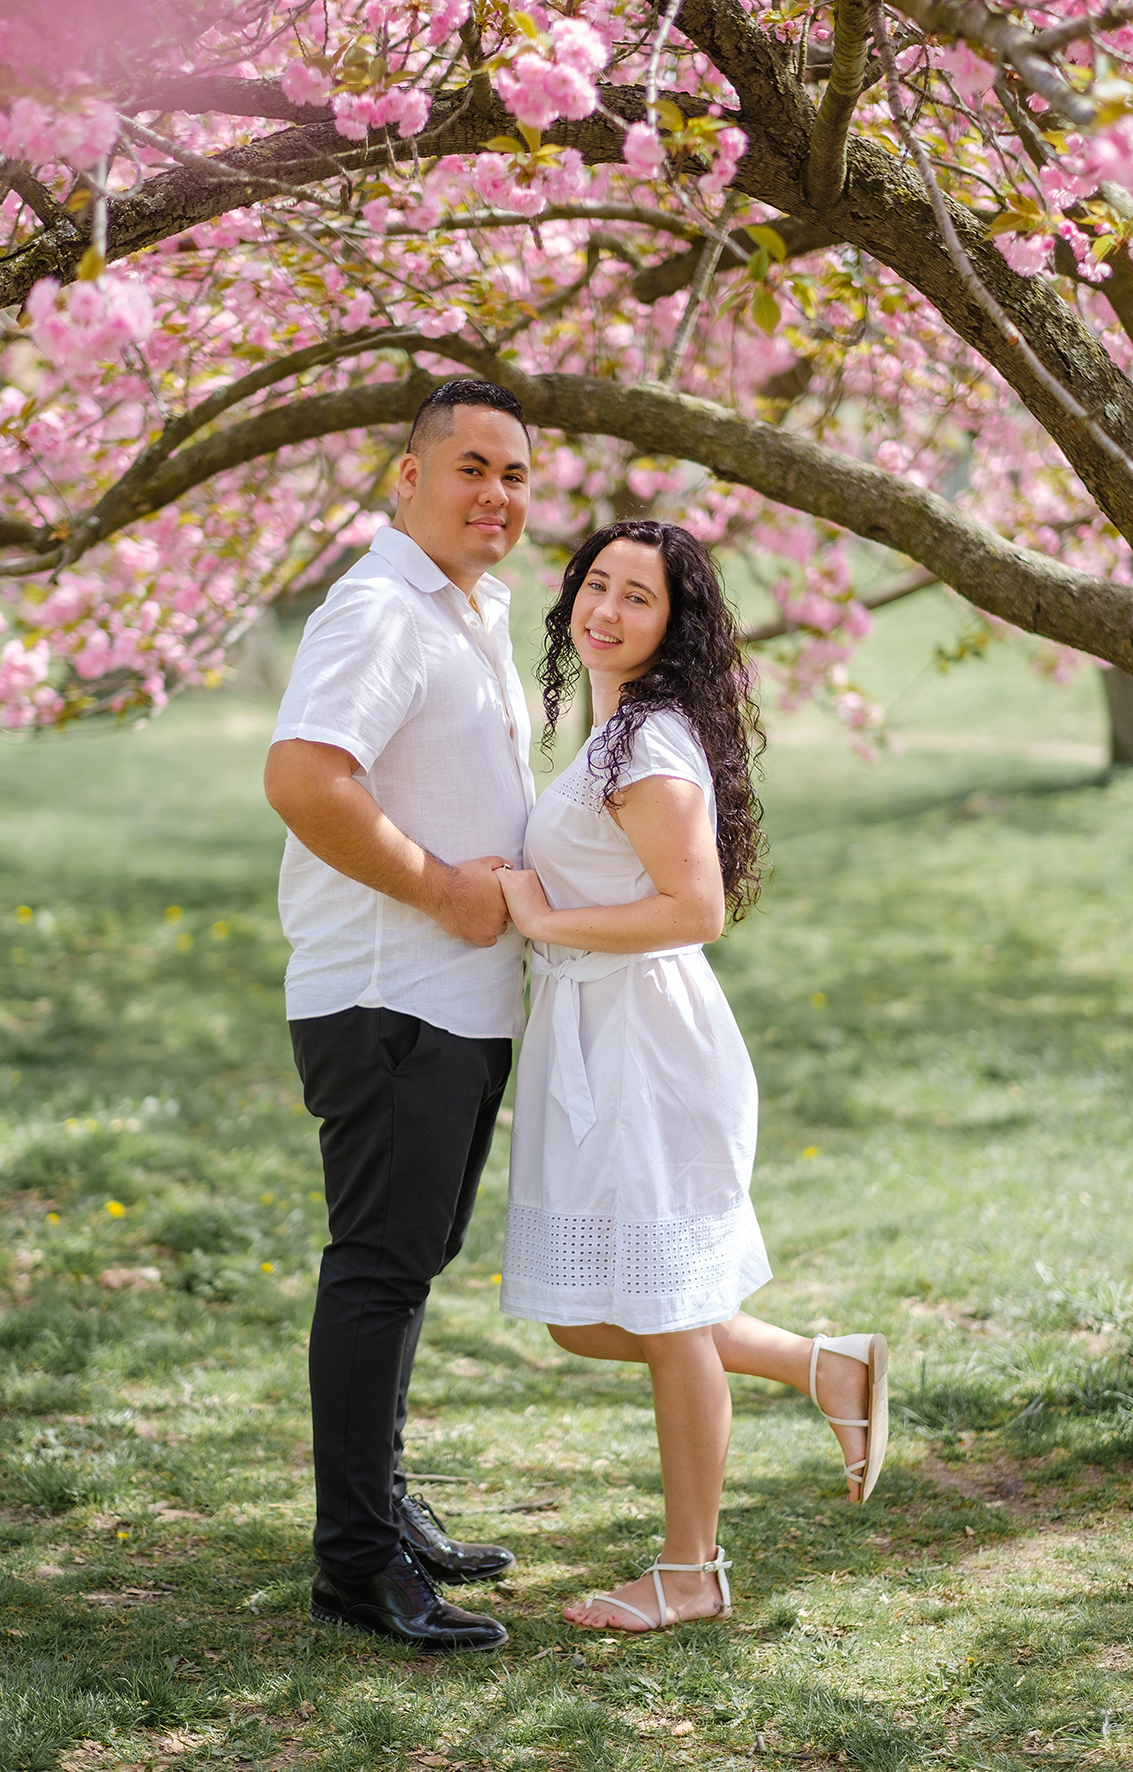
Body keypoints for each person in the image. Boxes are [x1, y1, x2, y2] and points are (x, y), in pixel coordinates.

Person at [497, 520, 890, 1634]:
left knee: (665, 1317)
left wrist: (542, 916)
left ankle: (689, 1571)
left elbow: (694, 908)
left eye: (639, 596)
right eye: (597, 585)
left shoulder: (647, 741)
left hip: (645, 1048)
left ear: (674, 625)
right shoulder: (615, 728)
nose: (607, 610)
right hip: (599, 1036)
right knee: (584, 1317)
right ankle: (823, 1366)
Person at [263, 378, 537, 1654]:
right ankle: (355, 1564)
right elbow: (303, 777)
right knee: (377, 1268)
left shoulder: (465, 608)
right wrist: (441, 889)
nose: (495, 494)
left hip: (454, 1000)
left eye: (514, 474)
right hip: (390, 997)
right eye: (470, 466)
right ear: (407, 478)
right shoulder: (379, 608)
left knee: (407, 1260)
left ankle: (383, 1506)